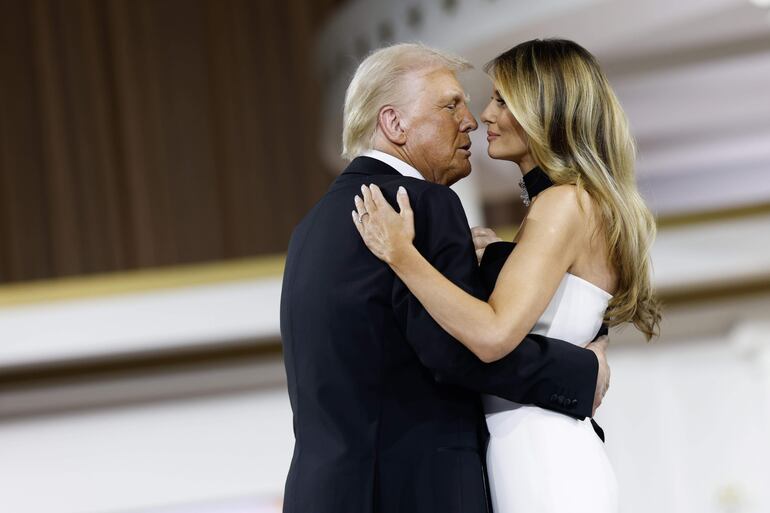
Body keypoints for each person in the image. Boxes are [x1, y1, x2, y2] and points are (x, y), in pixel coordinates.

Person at [281, 42, 610, 513]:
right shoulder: (422, 205)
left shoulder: (310, 227)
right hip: (414, 493)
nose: (471, 119)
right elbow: (460, 351)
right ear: (394, 124)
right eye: (450, 104)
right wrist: (582, 370)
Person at [351, 39, 661, 513]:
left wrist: (401, 255)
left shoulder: (563, 203)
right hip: (530, 449)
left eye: (501, 100)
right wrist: (497, 253)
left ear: (545, 110)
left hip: (545, 461)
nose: (483, 117)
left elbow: (494, 335)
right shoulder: (566, 204)